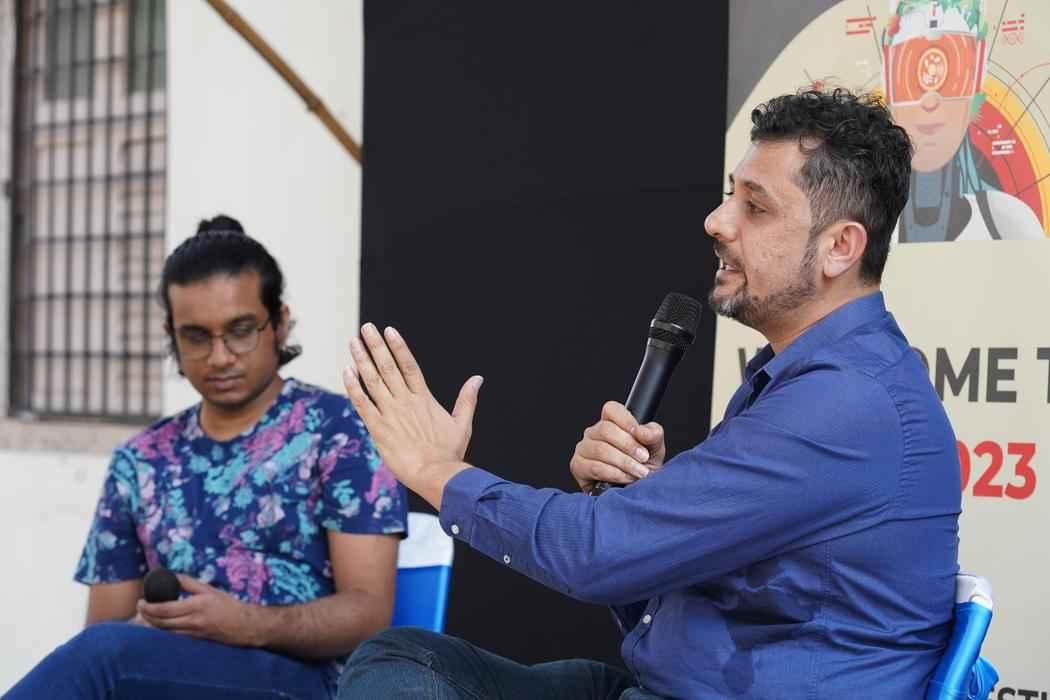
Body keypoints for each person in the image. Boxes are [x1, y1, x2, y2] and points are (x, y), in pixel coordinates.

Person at [336, 89, 961, 699]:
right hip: (660, 684)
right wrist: (645, 501)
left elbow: (593, 556)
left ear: (840, 247)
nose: (717, 222)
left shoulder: (847, 403)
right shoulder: (800, 377)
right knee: (403, 661)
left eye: (755, 207)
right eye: (730, 195)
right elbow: (666, 586)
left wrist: (436, 471)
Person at [6, 216, 407, 699]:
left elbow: (369, 613)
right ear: (172, 335)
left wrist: (248, 624)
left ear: (279, 324)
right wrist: (147, 629)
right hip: (170, 676)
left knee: (105, 657)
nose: (219, 357)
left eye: (241, 330)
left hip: (305, 681)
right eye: (196, 336)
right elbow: (104, 630)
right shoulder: (140, 460)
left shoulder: (339, 430)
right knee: (105, 652)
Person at [883, 0, 1044, 242]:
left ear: (975, 77)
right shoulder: (874, 224)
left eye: (953, 71)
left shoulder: (1007, 221)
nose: (930, 100)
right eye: (909, 68)